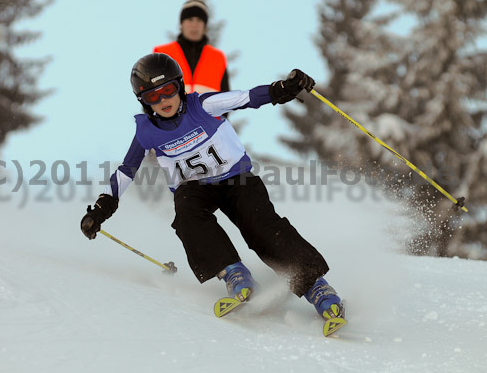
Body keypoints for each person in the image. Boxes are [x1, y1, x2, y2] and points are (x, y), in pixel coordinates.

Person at [80, 53, 345, 332]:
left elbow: (246, 98)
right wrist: (101, 209)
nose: (162, 101)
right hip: (194, 189)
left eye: (167, 90)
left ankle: (318, 288)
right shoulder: (147, 131)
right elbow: (127, 170)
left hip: (236, 180)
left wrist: (282, 89)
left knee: (262, 228)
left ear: (179, 86)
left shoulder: (203, 105)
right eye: (152, 97)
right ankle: (233, 273)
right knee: (187, 216)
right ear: (143, 102)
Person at [153, 0, 229, 94]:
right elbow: (150, 93)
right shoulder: (162, 54)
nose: (194, 25)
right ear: (181, 24)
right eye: (190, 19)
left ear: (205, 26)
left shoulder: (217, 58)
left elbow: (227, 101)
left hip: (207, 111)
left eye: (199, 20)